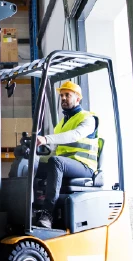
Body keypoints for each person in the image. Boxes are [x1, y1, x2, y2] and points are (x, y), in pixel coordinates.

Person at [33, 81, 99, 229]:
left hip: (85, 167)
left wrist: (46, 139)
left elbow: (75, 135)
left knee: (57, 162)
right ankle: (31, 209)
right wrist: (34, 160)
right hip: (66, 165)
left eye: (67, 95)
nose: (63, 98)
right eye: (61, 95)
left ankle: (48, 214)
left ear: (77, 98)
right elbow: (57, 152)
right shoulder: (61, 124)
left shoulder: (88, 119)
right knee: (31, 165)